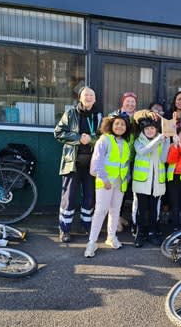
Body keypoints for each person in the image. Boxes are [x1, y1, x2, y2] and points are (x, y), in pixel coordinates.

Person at [54, 86, 102, 243]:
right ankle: (64, 229)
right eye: (86, 95)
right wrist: (78, 137)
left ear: (95, 99)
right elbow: (58, 133)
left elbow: (104, 137)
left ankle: (87, 226)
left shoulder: (99, 116)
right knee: (69, 197)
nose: (88, 97)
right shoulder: (70, 113)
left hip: (92, 165)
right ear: (80, 98)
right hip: (72, 163)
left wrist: (92, 140)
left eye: (91, 95)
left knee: (90, 197)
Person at [84, 115, 131, 258]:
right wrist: (104, 179)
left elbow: (126, 164)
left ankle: (111, 237)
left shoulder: (125, 143)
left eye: (123, 124)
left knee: (115, 211)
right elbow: (97, 162)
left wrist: (126, 179)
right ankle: (91, 242)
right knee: (100, 211)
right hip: (105, 182)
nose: (120, 127)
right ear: (111, 125)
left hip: (119, 183)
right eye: (117, 124)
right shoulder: (104, 139)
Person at [132, 116, 170, 247]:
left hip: (156, 183)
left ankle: (152, 233)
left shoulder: (162, 139)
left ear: (156, 129)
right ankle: (140, 233)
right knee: (142, 210)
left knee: (154, 210)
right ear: (143, 130)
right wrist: (158, 140)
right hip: (142, 183)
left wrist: (166, 141)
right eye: (147, 128)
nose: (150, 131)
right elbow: (143, 151)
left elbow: (164, 159)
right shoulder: (138, 141)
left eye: (152, 128)